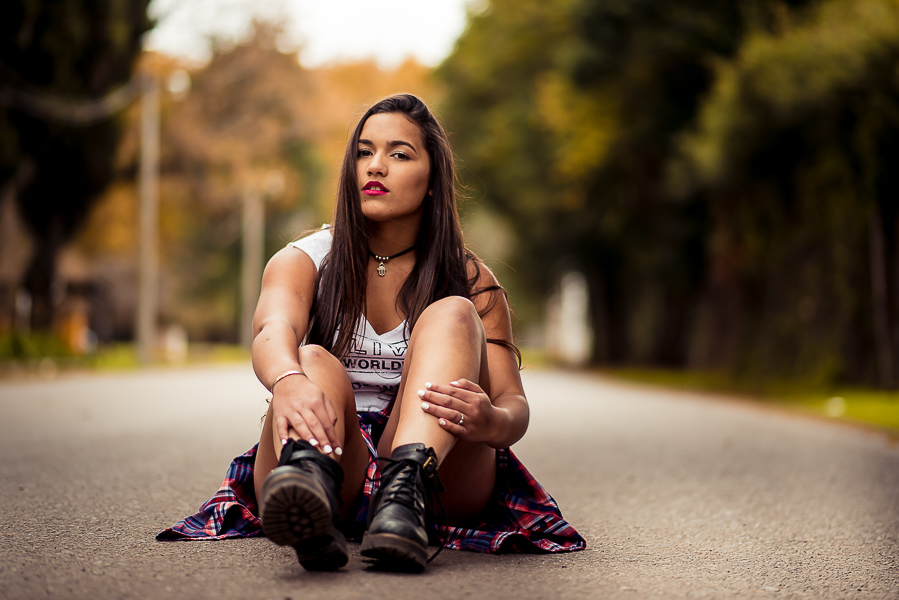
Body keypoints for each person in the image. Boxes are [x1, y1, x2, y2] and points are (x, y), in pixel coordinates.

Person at [157, 94, 584, 572]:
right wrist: (289, 381)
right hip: (334, 452)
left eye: (399, 154)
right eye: (364, 152)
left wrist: (491, 422)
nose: (375, 167)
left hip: (439, 471)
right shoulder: (303, 260)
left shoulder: (472, 280)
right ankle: (310, 495)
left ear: (431, 181)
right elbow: (271, 331)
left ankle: (404, 501)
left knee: (454, 314)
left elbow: (513, 404)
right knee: (312, 358)